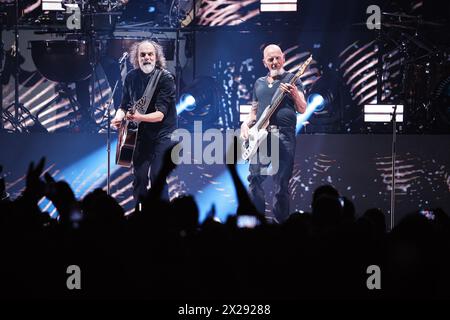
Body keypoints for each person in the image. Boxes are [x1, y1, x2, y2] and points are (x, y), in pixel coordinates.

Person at [240, 44, 307, 223]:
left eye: (278, 58)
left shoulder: (293, 79)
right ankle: (258, 220)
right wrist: (246, 124)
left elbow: (302, 108)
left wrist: (294, 94)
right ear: (265, 62)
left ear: (283, 58)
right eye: (270, 59)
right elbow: (254, 111)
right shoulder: (259, 83)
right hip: (262, 136)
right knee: (254, 177)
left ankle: (282, 224)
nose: (275, 62)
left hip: (284, 136)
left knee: (281, 183)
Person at [112, 40, 177, 203]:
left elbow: (160, 115)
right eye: (142, 54)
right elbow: (124, 105)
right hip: (139, 135)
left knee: (158, 178)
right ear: (137, 58)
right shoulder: (131, 77)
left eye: (150, 54)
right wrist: (118, 117)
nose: (146, 57)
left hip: (161, 136)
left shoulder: (165, 78)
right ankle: (140, 217)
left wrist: (138, 117)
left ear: (156, 57)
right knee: (139, 179)